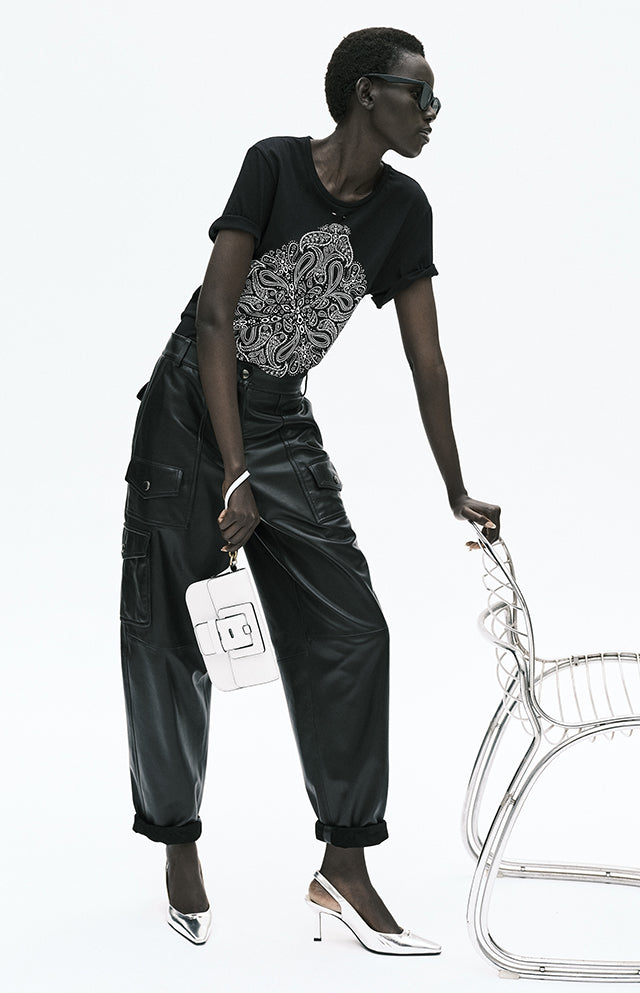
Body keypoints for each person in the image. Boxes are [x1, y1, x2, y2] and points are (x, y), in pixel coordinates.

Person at [119, 25, 501, 953]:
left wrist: (456, 485)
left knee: (352, 629)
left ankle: (345, 863)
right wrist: (233, 470)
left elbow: (427, 360)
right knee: (170, 637)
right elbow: (217, 314)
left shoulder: (404, 209)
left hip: (280, 416)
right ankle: (177, 842)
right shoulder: (274, 165)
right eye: (421, 95)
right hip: (188, 409)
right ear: (369, 92)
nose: (433, 114)